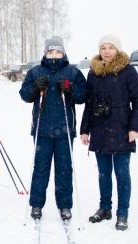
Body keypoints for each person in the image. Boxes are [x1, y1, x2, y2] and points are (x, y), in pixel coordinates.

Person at [19, 36, 86, 221]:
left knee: (64, 169)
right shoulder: (36, 71)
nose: (54, 55)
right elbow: (24, 95)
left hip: (65, 130)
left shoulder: (72, 72)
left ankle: (65, 205)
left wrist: (70, 87)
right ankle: (36, 204)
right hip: (42, 130)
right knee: (41, 168)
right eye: (50, 51)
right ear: (45, 53)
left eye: (57, 51)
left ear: (63, 53)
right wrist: (35, 87)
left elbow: (83, 96)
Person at [80, 34, 138, 231]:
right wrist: (85, 130)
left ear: (118, 49)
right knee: (104, 173)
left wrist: (134, 128)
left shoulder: (128, 71)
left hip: (122, 129)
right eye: (103, 47)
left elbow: (137, 102)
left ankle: (122, 213)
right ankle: (105, 208)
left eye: (110, 47)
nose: (106, 51)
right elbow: (89, 104)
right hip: (100, 129)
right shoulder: (93, 73)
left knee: (122, 174)